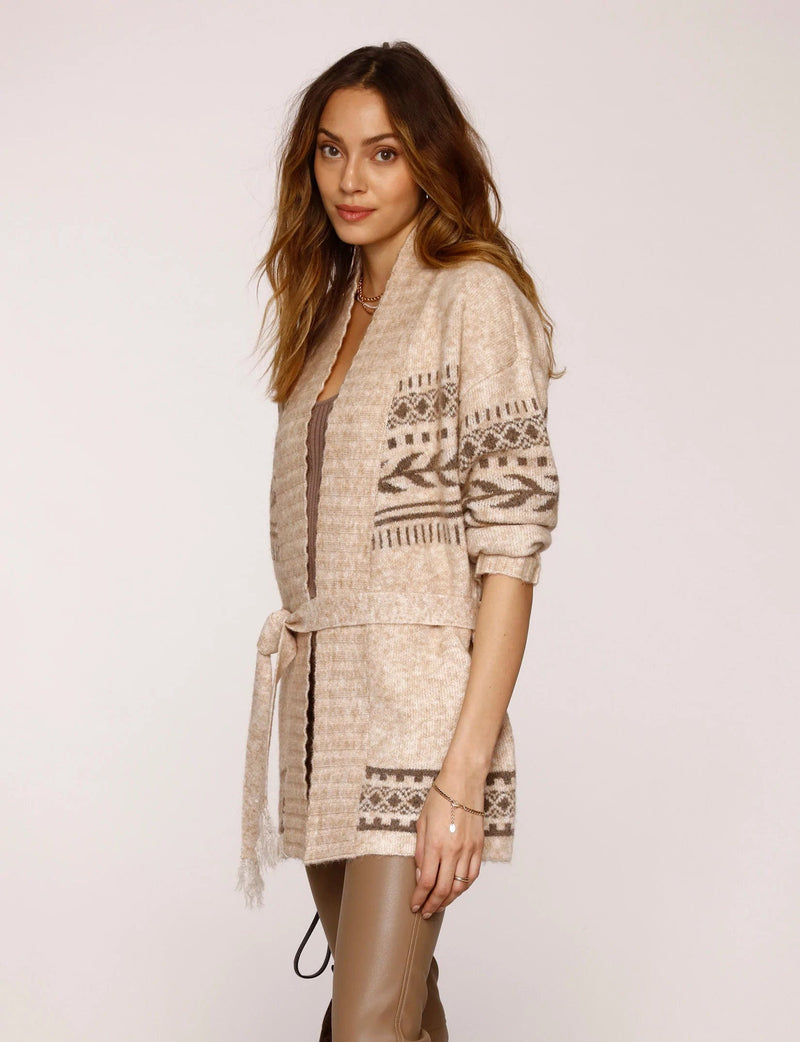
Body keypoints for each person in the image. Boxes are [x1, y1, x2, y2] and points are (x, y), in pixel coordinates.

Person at [237, 40, 563, 1041]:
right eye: (331, 151)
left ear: (427, 159)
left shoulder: (473, 297)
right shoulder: (327, 312)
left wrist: (460, 777)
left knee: (369, 1022)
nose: (351, 178)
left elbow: (509, 552)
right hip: (324, 722)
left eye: (382, 153)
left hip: (417, 720)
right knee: (400, 1014)